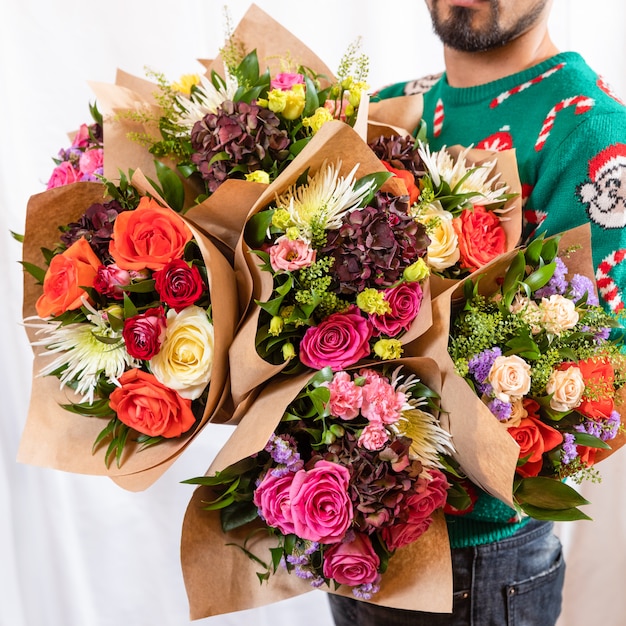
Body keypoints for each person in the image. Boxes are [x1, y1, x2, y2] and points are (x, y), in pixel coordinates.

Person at [327, 1, 626, 624]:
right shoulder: (385, 109)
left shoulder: (589, 132)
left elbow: (599, 385)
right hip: (348, 536)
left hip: (478, 565)